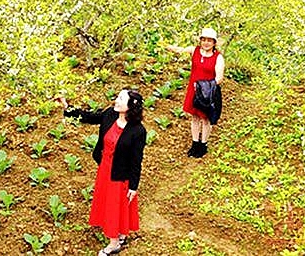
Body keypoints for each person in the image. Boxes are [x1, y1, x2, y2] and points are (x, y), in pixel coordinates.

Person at [60, 90, 146, 256]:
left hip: (120, 174)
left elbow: (136, 161)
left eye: (121, 99)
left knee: (116, 205)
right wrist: (66, 107)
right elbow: (89, 117)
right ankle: (120, 234)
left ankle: (114, 244)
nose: (116, 100)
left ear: (130, 106)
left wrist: (133, 186)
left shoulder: (138, 131)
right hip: (105, 168)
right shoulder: (110, 115)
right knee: (109, 202)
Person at [166, 27, 225, 158]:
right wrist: (165, 45)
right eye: (204, 40)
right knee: (195, 117)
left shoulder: (218, 57)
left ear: (214, 43)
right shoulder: (195, 51)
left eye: (209, 41)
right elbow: (180, 50)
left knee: (205, 119)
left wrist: (204, 87)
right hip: (193, 91)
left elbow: (219, 78)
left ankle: (203, 145)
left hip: (207, 93)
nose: (206, 43)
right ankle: (195, 143)